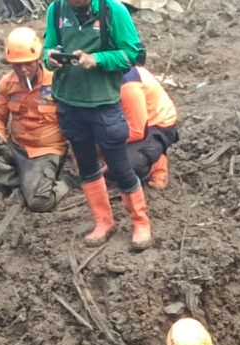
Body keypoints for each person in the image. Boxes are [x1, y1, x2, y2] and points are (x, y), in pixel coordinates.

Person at [42, 0, 153, 250]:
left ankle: (140, 222)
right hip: (69, 102)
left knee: (119, 165)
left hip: (103, 103)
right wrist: (49, 58)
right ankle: (103, 221)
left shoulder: (113, 10)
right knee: (86, 166)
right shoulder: (57, 9)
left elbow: (134, 54)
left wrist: (98, 59)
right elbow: (47, 47)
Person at [0, 27, 68, 211]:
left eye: (28, 64)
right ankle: (18, 180)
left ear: (37, 59)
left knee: (39, 203)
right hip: (15, 147)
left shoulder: (57, 81)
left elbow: (73, 117)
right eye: (17, 65)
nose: (23, 69)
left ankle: (66, 182)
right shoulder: (7, 83)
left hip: (44, 151)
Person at [120, 63, 176, 188]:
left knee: (125, 167)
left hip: (156, 124)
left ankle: (157, 163)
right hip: (127, 120)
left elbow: (137, 131)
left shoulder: (129, 84)